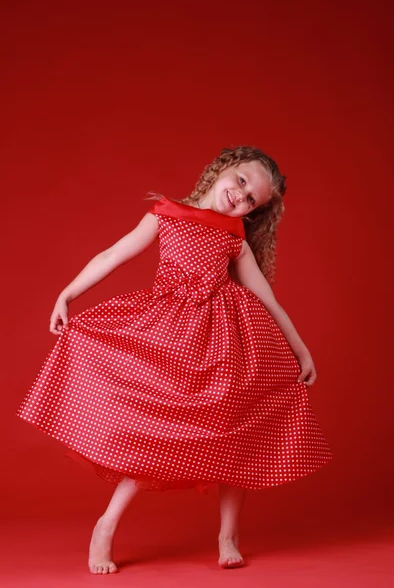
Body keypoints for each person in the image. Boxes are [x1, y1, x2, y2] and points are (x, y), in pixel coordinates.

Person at [15, 145, 334, 574]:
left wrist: (300, 349)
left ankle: (228, 535)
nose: (240, 198)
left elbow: (267, 300)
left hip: (224, 351)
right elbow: (112, 255)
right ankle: (106, 526)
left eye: (251, 200)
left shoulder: (233, 237)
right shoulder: (164, 214)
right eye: (240, 182)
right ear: (222, 168)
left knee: (235, 437)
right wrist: (67, 294)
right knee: (155, 436)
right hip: (167, 340)